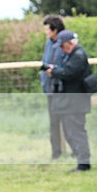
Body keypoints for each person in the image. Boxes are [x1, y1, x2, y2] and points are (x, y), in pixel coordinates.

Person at [46, 30, 92, 173]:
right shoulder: (73, 54)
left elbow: (69, 73)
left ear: (70, 43)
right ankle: (81, 161)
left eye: (62, 45)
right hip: (72, 101)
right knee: (70, 132)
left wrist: (53, 72)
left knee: (76, 132)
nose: (61, 48)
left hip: (76, 102)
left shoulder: (78, 55)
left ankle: (83, 163)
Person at [40, 15, 66, 159]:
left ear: (55, 30)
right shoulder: (48, 44)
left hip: (63, 90)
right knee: (54, 123)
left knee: (68, 122)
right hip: (50, 90)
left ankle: (76, 151)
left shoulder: (65, 43)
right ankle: (56, 152)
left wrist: (55, 71)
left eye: (47, 30)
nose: (46, 32)